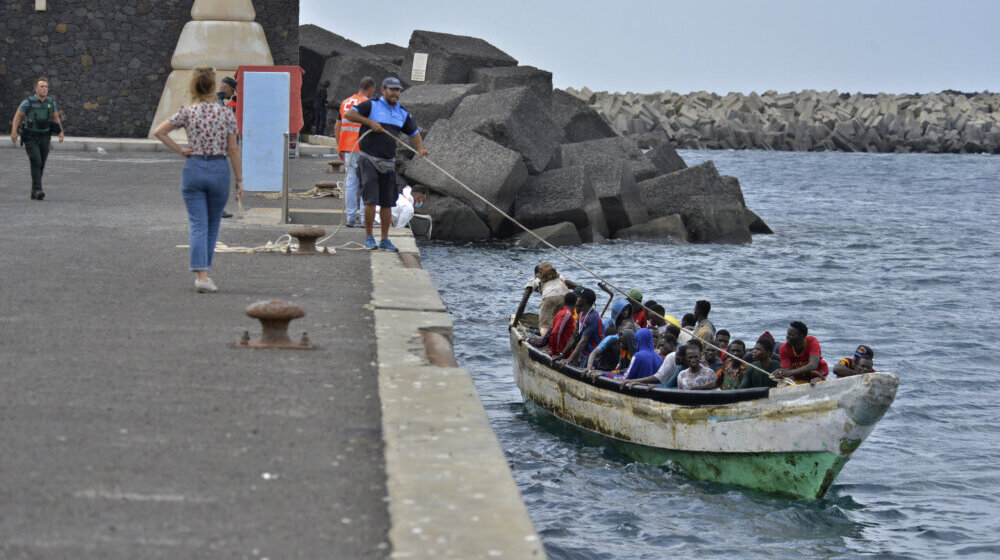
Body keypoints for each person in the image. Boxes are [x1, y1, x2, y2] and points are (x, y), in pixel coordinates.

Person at [153, 67, 242, 293]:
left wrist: (181, 150)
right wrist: (240, 179)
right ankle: (204, 275)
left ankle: (201, 273)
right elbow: (233, 149)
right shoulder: (226, 114)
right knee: (213, 223)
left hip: (193, 167)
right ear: (214, 87)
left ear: (194, 87)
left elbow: (160, 132)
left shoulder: (188, 111)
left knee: (197, 223)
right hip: (218, 168)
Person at [344, 77, 428, 251]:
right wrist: (370, 123)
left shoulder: (402, 113)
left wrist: (420, 149)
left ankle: (384, 239)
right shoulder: (371, 105)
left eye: (397, 90)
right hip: (369, 158)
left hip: (388, 162)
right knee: (370, 200)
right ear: (383, 90)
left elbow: (414, 132)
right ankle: (368, 237)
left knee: (387, 202)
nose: (395, 93)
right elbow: (349, 114)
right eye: (392, 90)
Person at [10, 77, 65, 200]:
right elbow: (18, 116)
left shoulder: (50, 102)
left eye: (46, 86)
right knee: (36, 160)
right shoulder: (28, 102)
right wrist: (14, 131)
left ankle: (34, 191)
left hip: (45, 136)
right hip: (31, 137)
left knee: (41, 163)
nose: (44, 89)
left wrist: (60, 132)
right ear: (36, 89)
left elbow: (55, 118)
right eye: (42, 86)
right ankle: (38, 189)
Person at [335, 77, 376, 228]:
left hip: (347, 148)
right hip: (364, 148)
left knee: (351, 183)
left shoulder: (345, 103)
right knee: (366, 183)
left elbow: (337, 127)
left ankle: (351, 218)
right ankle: (366, 219)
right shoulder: (369, 104)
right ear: (371, 89)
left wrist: (340, 146)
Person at [526, 262, 578, 335]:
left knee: (544, 325)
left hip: (549, 297)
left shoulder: (535, 280)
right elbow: (574, 285)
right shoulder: (559, 277)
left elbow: (524, 301)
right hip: (565, 296)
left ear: (537, 274)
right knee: (561, 320)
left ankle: (545, 342)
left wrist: (514, 323)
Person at [558, 288, 603, 368]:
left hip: (595, 355)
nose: (577, 299)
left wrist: (569, 359)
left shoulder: (593, 317)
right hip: (585, 353)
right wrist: (562, 354)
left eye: (579, 297)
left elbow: (583, 341)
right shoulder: (581, 314)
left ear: (584, 300)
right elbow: (574, 337)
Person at [215, 76, 238, 219]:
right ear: (225, 88)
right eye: (231, 90)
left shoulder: (220, 102)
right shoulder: (219, 103)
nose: (231, 94)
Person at [547, 292, 578, 356]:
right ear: (575, 303)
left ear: (564, 301)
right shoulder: (567, 314)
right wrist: (556, 353)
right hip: (562, 354)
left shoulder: (560, 313)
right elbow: (555, 333)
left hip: (563, 352)